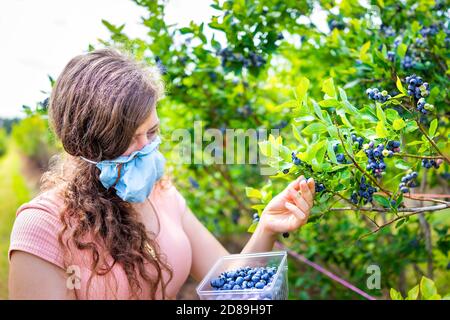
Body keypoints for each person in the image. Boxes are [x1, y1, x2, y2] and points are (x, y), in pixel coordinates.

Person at [8, 48, 315, 299]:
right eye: (129, 139)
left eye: (152, 132)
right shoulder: (42, 227)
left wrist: (267, 228)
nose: (145, 148)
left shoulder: (162, 193)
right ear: (87, 145)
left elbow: (230, 285)